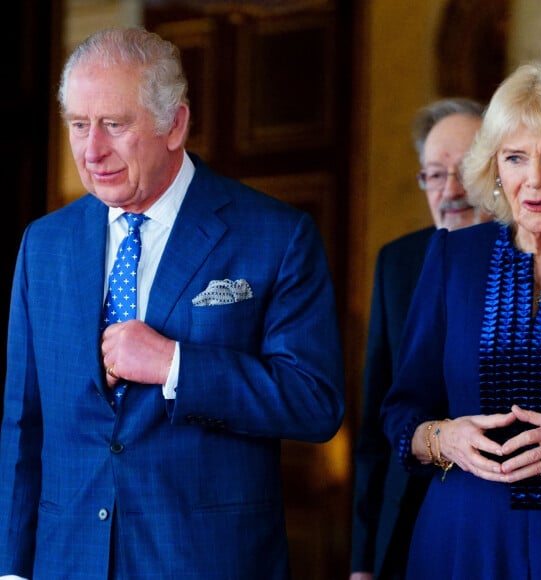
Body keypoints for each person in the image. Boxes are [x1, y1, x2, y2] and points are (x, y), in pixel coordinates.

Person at [0, 27, 345, 579]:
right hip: (66, 561)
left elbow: (314, 402)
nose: (92, 150)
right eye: (79, 125)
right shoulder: (44, 244)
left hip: (205, 560)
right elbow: (23, 423)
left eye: (114, 125)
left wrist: (174, 365)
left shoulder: (276, 235)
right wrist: (13, 570)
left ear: (174, 124)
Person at [381, 61, 541, 579]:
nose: (533, 179)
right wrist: (444, 439)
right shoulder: (453, 257)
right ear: (495, 168)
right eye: (515, 158)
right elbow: (403, 410)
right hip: (461, 544)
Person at [349, 98, 487, 580]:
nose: (451, 190)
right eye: (434, 173)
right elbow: (375, 421)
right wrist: (362, 559)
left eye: (466, 168)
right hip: (404, 516)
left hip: (493, 520)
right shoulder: (399, 262)